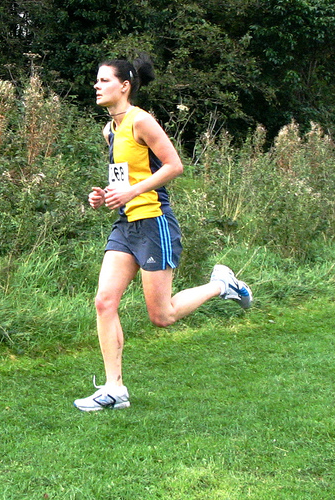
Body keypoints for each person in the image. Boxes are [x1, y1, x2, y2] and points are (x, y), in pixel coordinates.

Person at [73, 54, 252, 412]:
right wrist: (104, 196)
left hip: (154, 223)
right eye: (97, 80)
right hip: (125, 224)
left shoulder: (142, 121)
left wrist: (132, 192)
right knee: (104, 302)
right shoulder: (110, 130)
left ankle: (221, 285)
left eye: (104, 80)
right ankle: (114, 389)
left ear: (124, 86)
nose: (96, 85)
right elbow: (125, 178)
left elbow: (174, 166)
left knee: (162, 316)